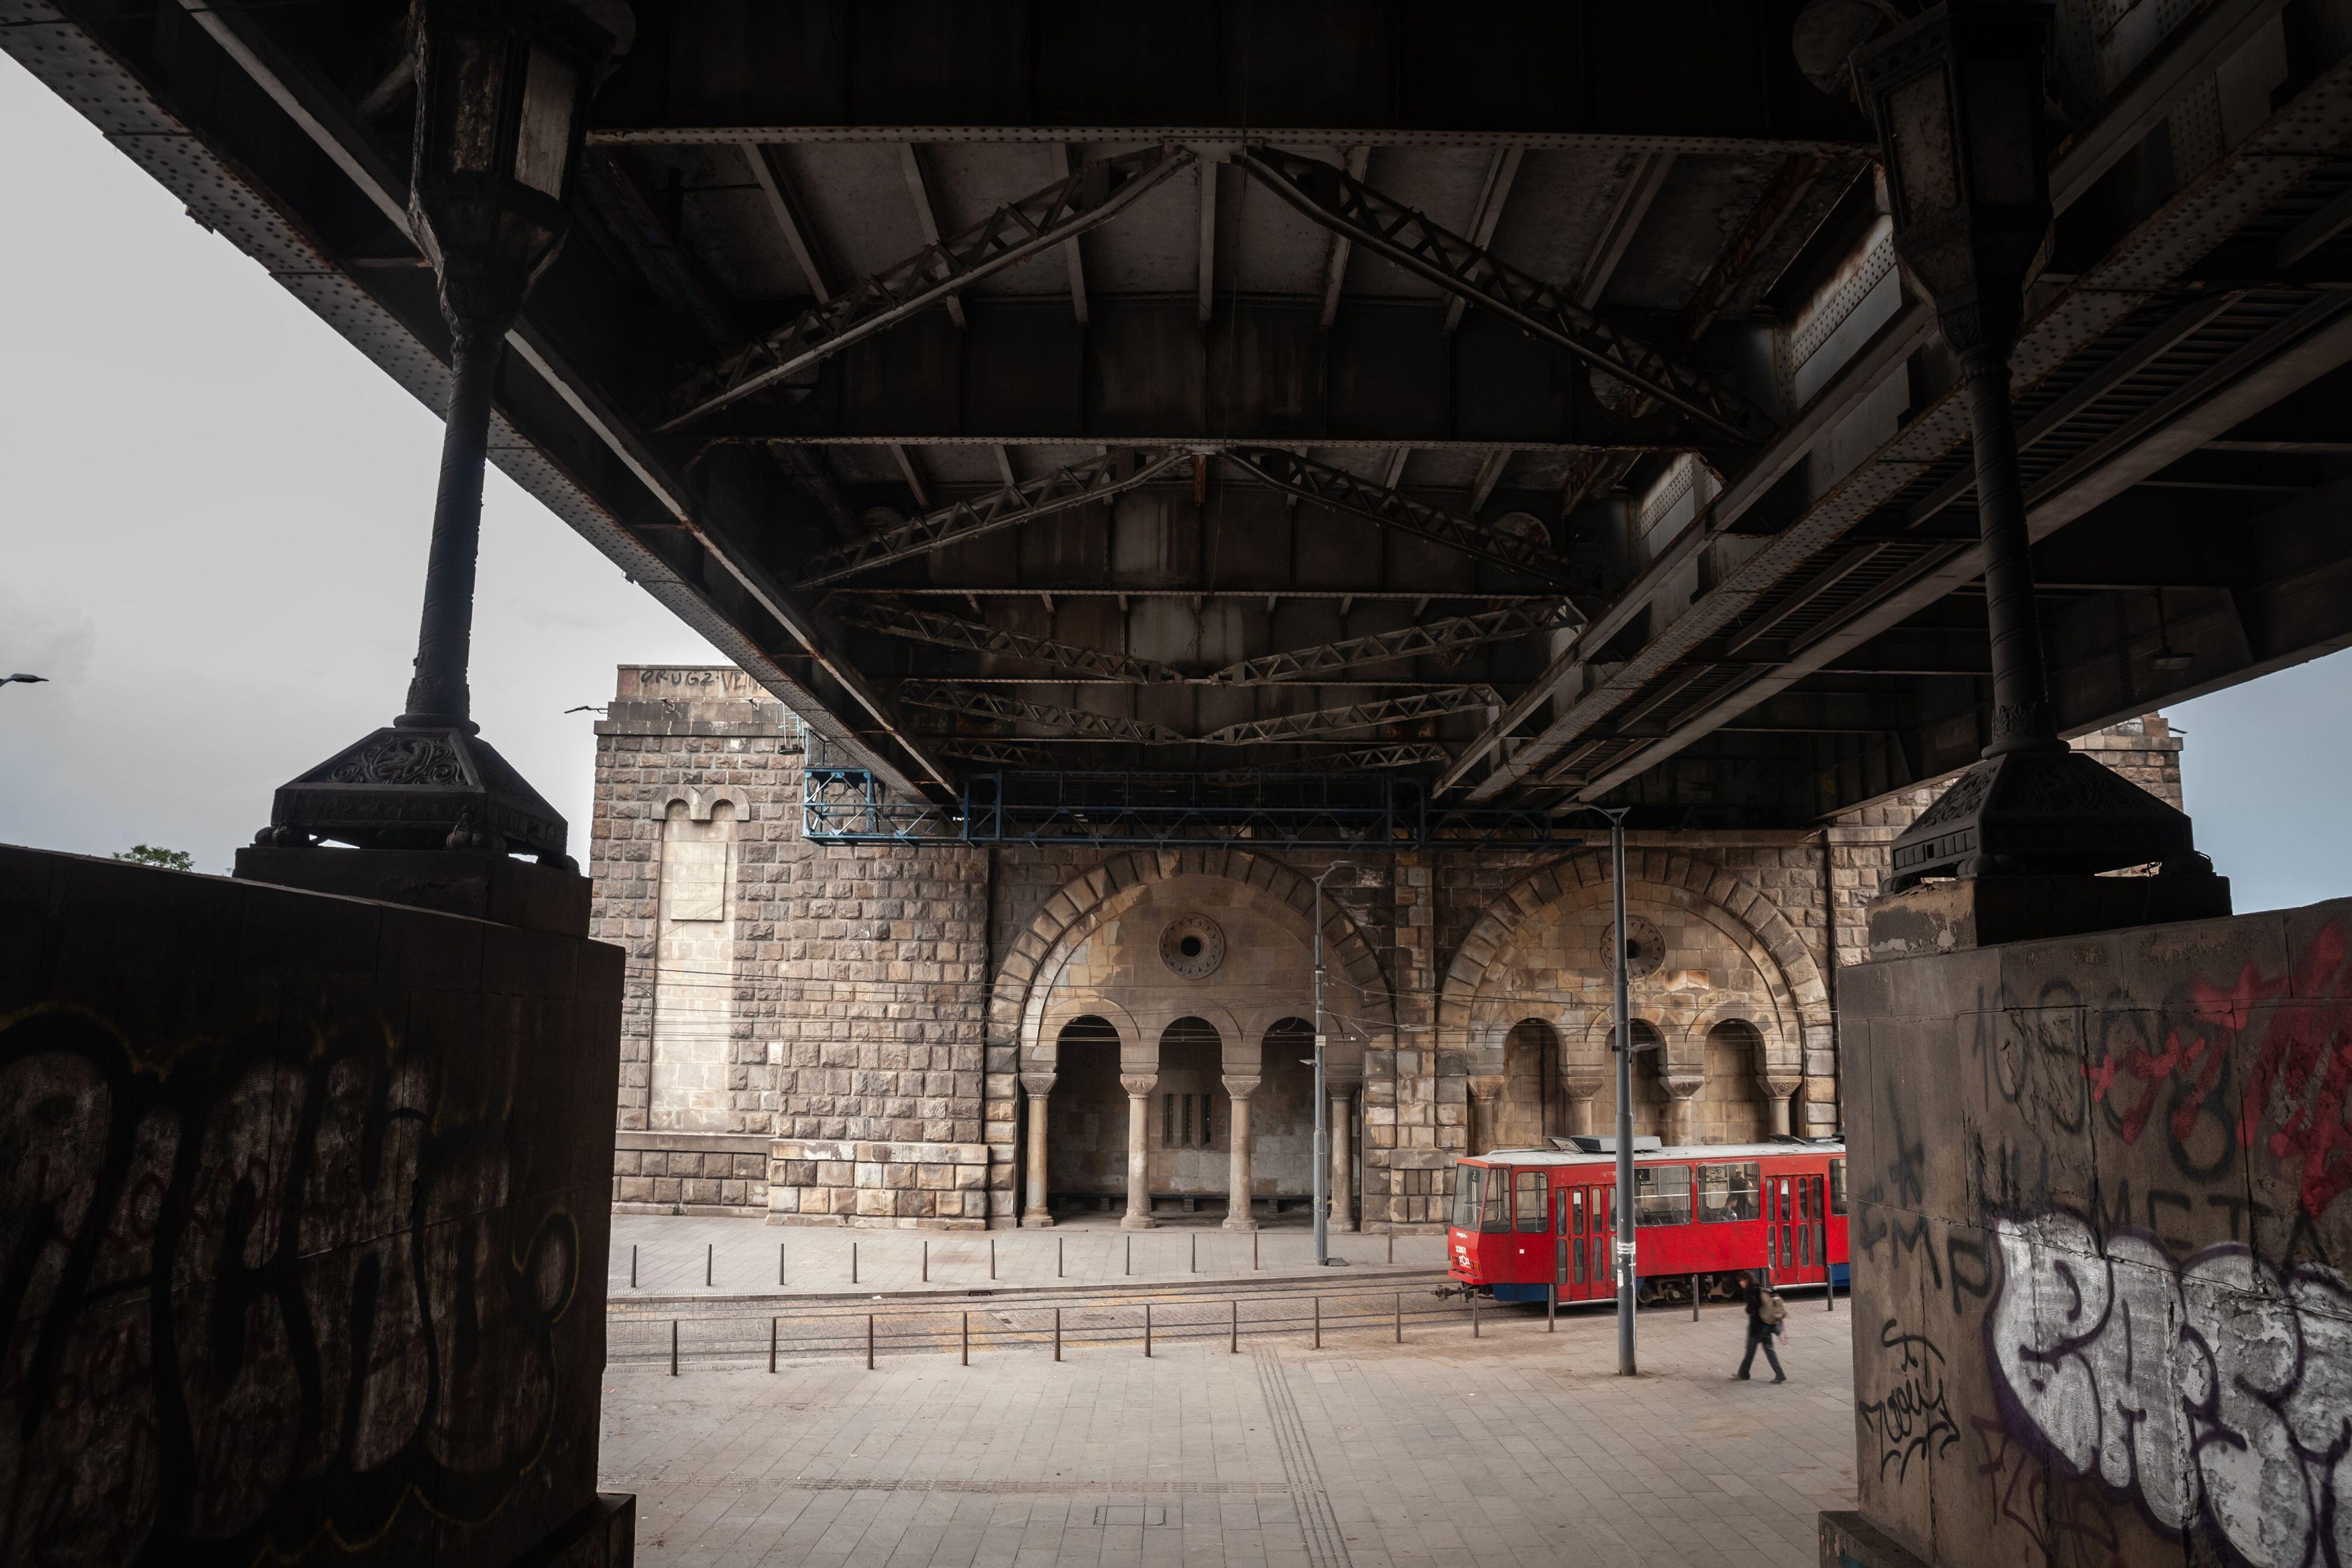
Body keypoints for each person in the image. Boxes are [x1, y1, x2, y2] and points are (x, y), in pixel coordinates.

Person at [1734, 1271, 1786, 1382]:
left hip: (1758, 1327)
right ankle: (1780, 1374)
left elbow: (1753, 1307)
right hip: (1767, 1324)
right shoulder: (1760, 1288)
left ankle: (1743, 1374)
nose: (1740, 1283)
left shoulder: (1750, 1291)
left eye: (1741, 1281)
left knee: (1750, 1351)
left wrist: (1748, 1310)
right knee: (1769, 1350)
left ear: (1746, 1280)